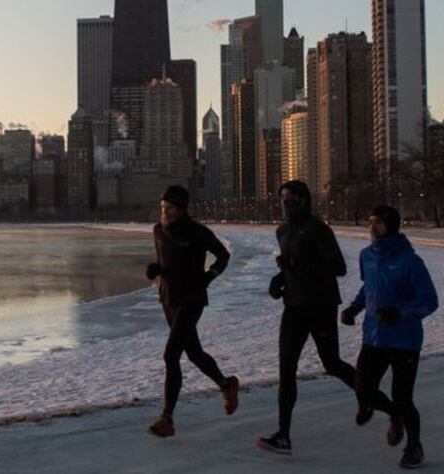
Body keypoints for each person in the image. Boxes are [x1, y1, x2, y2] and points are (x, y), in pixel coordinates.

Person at [256, 180, 358, 456]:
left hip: (321, 305)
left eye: (292, 200)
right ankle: (283, 435)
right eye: (283, 200)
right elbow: (291, 265)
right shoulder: (282, 231)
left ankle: (373, 397)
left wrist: (297, 265)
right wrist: (279, 279)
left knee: (333, 364)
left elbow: (339, 267)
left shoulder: (318, 229)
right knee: (286, 370)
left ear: (304, 201)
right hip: (294, 306)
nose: (286, 205)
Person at [340, 206, 438, 470]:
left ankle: (414, 447)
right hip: (373, 337)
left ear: (392, 226)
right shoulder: (366, 256)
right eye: (370, 222)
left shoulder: (410, 261)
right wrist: (353, 308)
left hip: (405, 340)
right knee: (363, 389)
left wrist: (400, 313)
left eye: (379, 223)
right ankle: (393, 414)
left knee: (403, 396)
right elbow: (368, 287)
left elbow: (429, 301)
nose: (372, 228)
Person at [145, 184, 240, 438]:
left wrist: (209, 276)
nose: (165, 212)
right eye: (163, 207)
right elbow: (165, 263)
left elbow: (223, 256)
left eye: (171, 208)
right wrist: (155, 270)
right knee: (194, 353)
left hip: (192, 299)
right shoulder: (158, 231)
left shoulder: (197, 232)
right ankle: (226, 384)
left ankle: (167, 418)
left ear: (182, 209)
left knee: (170, 355)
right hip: (168, 300)